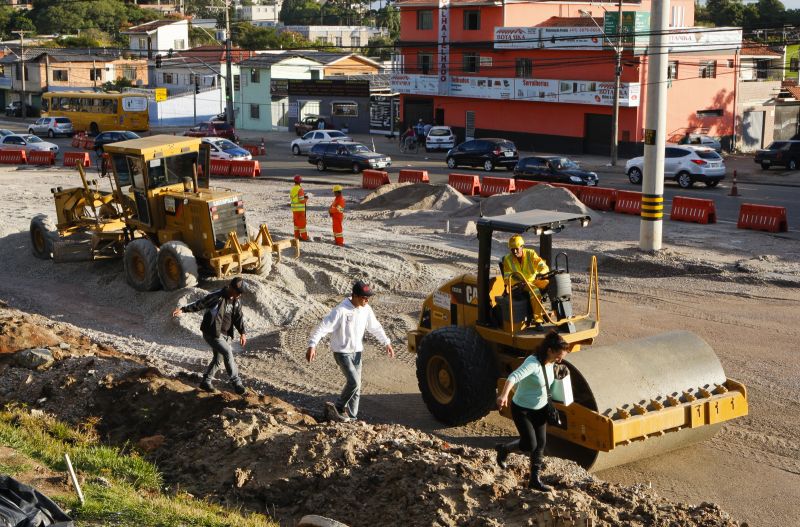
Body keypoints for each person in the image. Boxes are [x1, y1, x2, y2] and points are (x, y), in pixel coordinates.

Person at [306, 280, 394, 421]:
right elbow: (323, 327)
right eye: (364, 297)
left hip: (357, 352)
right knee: (354, 382)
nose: (367, 300)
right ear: (354, 295)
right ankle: (339, 407)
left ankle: (352, 418)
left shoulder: (366, 309)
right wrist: (312, 344)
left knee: (357, 389)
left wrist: (386, 342)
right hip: (342, 352)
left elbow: (375, 327)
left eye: (368, 298)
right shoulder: (341, 310)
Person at [495, 331, 570, 491]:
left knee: (541, 443)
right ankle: (504, 449)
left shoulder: (551, 363)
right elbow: (513, 377)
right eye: (558, 356)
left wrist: (560, 370)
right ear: (549, 350)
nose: (560, 359)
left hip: (541, 409)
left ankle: (534, 480)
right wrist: (504, 395)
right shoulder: (532, 363)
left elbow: (553, 371)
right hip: (522, 410)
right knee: (530, 444)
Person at [171, 277, 248, 395]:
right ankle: (237, 383)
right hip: (212, 333)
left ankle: (206, 382)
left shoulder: (236, 300)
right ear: (231, 287)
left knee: (219, 359)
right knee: (228, 352)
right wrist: (184, 310)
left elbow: (238, 317)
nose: (239, 295)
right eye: (238, 292)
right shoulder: (217, 296)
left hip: (226, 335)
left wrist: (242, 333)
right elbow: (200, 303)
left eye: (241, 293)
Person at [501, 234, 550, 324]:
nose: (514, 251)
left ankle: (557, 312)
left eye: (516, 248)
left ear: (522, 247)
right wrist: (517, 283)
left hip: (533, 281)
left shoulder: (531, 254)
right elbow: (507, 278)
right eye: (512, 249)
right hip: (519, 286)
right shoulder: (508, 259)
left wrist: (541, 273)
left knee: (548, 283)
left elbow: (542, 266)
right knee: (534, 290)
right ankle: (538, 319)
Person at [290, 175, 310, 241]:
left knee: (296, 225)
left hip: (294, 210)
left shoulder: (292, 189)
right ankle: (304, 237)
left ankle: (297, 237)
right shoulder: (300, 189)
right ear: (300, 181)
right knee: (302, 225)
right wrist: (306, 199)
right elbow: (301, 200)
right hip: (300, 210)